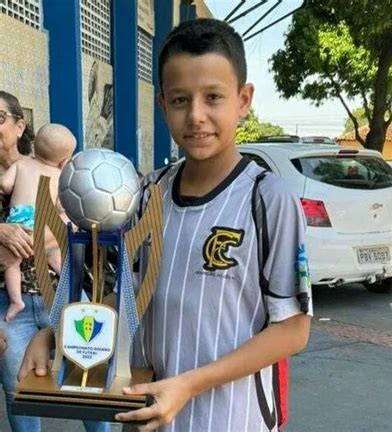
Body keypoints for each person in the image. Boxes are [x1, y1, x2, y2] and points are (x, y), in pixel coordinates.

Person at [20, 18, 312, 431]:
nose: (196, 116)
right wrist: (54, 334)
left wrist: (188, 385)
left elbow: (293, 328)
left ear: (243, 99)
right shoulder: (145, 194)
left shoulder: (267, 199)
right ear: (162, 105)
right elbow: (118, 292)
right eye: (180, 100)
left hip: (229, 418)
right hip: (143, 415)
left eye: (213, 97)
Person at [0, 91, 109, 432]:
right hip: (6, 305)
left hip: (60, 292)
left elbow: (78, 226)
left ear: (20, 126)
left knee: (86, 381)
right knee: (21, 393)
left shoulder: (57, 175)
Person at [0, 123, 76, 322]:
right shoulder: (61, 176)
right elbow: (64, 210)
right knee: (56, 254)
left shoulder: (22, 164)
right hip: (45, 218)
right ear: (64, 161)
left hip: (21, 219)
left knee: (13, 263)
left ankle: (16, 300)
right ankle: (67, 277)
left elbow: (5, 185)